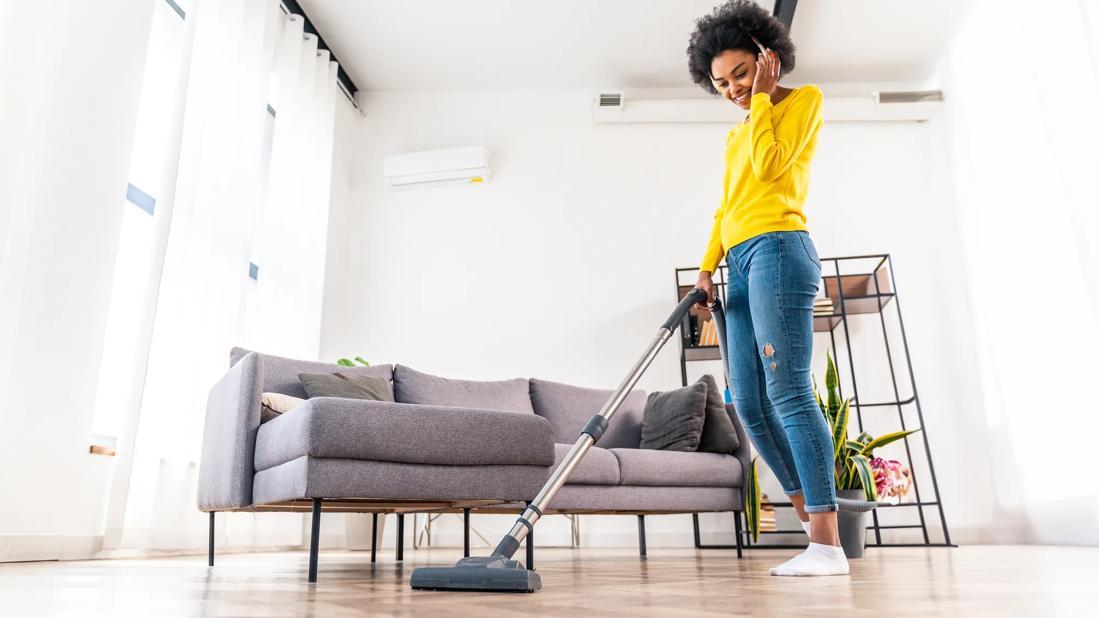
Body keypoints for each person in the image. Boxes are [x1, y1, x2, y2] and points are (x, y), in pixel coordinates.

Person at [687, 0, 847, 576]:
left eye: (740, 74)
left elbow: (773, 167)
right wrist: (706, 267)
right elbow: (727, 208)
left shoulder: (802, 103)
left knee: (790, 394)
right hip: (741, 263)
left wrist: (760, 101)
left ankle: (829, 545)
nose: (731, 88)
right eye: (721, 82)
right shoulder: (738, 135)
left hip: (781, 250)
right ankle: (814, 538)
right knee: (750, 406)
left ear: (767, 60)